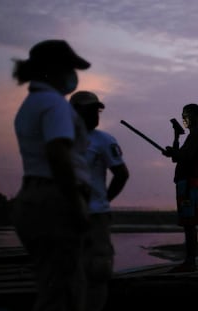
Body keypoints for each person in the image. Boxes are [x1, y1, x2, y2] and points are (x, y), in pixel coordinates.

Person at [12, 40, 92, 311]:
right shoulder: (54, 104)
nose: (74, 75)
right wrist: (76, 202)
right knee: (64, 293)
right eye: (70, 68)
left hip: (33, 198)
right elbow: (58, 154)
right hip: (55, 200)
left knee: (51, 284)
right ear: (54, 69)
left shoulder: (31, 103)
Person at [70, 90, 129, 311]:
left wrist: (104, 199)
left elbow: (122, 174)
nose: (95, 114)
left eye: (97, 110)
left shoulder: (104, 140)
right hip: (67, 216)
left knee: (98, 270)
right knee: (68, 270)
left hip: (96, 217)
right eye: (90, 110)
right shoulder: (61, 141)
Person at [162, 103, 198, 272]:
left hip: (189, 182)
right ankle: (189, 261)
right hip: (184, 182)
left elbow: (185, 156)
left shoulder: (197, 134)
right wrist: (176, 137)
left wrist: (173, 152)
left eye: (186, 115)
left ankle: (190, 262)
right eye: (183, 115)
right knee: (187, 222)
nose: (184, 119)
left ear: (196, 116)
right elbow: (177, 158)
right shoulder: (192, 135)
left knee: (189, 223)